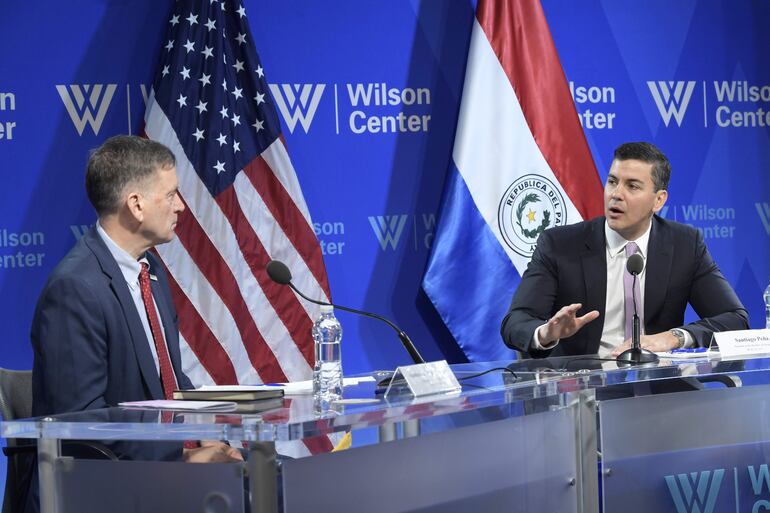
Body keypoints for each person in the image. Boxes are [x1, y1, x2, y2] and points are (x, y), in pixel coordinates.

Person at [30, 135, 241, 464]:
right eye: (170, 195)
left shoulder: (150, 269)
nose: (180, 206)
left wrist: (209, 437)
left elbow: (169, 380)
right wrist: (180, 458)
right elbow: (80, 423)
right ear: (136, 204)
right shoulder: (75, 290)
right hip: (97, 488)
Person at [501, 142, 748, 358]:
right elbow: (516, 322)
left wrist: (674, 337)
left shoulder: (684, 244)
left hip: (658, 389)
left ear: (658, 200)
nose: (616, 195)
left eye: (632, 186)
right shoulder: (560, 245)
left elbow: (735, 319)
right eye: (612, 182)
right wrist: (545, 333)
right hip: (583, 391)